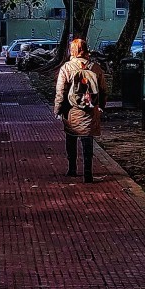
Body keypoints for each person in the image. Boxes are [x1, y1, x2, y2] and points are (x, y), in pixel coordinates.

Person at [54, 38, 107, 183]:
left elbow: (61, 92)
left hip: (72, 111)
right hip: (90, 110)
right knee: (87, 142)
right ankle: (88, 173)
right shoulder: (95, 67)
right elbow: (103, 90)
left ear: (73, 51)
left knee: (71, 139)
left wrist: (58, 109)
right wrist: (101, 105)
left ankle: (72, 169)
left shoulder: (67, 68)